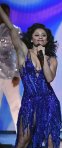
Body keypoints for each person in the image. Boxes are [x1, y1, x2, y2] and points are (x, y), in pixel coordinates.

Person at [0, 6, 62, 148]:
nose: (40, 37)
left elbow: (49, 79)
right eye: (37, 35)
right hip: (29, 102)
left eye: (43, 35)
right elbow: (11, 28)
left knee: (50, 142)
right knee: (22, 141)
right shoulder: (23, 53)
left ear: (47, 38)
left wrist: (43, 59)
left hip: (49, 102)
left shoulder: (52, 59)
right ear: (31, 38)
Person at [0, 3, 21, 132]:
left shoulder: (14, 30)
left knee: (16, 106)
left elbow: (19, 52)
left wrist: (17, 73)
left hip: (10, 75)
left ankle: (22, 139)